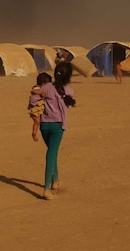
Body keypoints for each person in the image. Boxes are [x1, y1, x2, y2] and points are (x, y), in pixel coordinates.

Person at [38, 62, 76, 200]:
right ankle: (46, 189)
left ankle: (55, 181)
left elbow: (36, 97)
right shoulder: (69, 91)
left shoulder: (46, 87)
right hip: (57, 126)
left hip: (44, 126)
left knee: (52, 152)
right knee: (51, 154)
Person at [28, 72, 52, 142]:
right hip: (34, 108)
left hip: (40, 107)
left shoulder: (43, 89)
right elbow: (33, 90)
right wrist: (41, 93)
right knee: (37, 122)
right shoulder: (37, 88)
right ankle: (34, 133)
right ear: (43, 83)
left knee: (42, 120)